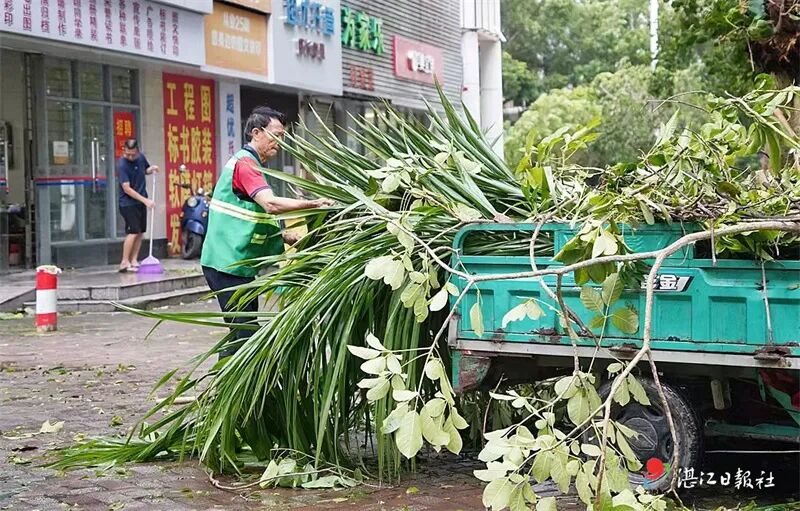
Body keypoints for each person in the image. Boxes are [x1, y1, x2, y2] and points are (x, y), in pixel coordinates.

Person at [200, 106, 333, 358]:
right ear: (256, 133)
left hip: (236, 263)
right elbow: (270, 205)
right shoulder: (246, 164)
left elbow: (252, 217)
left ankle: (226, 381)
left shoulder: (251, 164)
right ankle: (231, 380)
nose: (280, 142)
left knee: (241, 331)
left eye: (283, 136)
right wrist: (314, 204)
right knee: (245, 333)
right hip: (226, 263)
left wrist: (285, 237)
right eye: (276, 135)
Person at [118, 139, 159, 272]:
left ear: (137, 151)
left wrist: (151, 169)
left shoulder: (140, 158)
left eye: (133, 154)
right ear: (124, 150)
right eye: (128, 154)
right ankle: (124, 262)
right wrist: (145, 200)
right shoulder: (122, 165)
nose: (130, 157)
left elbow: (144, 170)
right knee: (133, 232)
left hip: (140, 201)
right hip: (128, 203)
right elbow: (127, 188)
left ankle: (134, 260)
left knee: (140, 232)